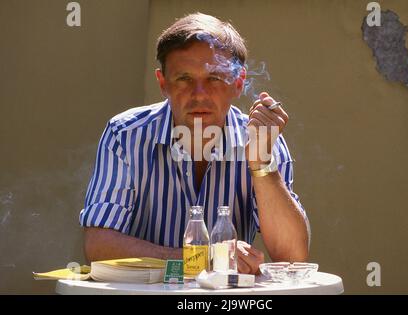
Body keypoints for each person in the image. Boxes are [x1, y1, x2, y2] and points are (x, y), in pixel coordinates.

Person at [79, 12, 310, 275]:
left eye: (214, 78)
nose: (199, 95)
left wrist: (261, 163)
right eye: (184, 79)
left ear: (238, 83)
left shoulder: (262, 140)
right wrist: (199, 259)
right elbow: (98, 245)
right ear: (163, 83)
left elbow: (293, 257)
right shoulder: (125, 134)